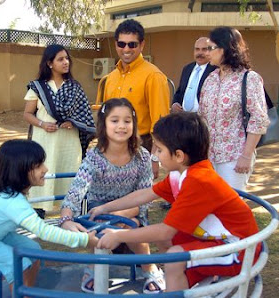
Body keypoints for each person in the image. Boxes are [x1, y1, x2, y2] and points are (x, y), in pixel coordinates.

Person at [89, 112, 262, 292]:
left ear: (179, 156)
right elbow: (146, 194)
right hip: (221, 241)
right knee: (170, 245)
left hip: (239, 250)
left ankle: (177, 284)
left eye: (160, 150)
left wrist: (118, 236)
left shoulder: (200, 181)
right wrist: (106, 206)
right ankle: (179, 283)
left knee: (174, 257)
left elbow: (165, 231)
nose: (155, 154)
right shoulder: (181, 175)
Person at [0, 140, 98, 292]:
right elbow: (43, 231)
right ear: (19, 171)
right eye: (38, 166)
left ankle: (27, 290)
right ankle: (21, 293)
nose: (45, 169)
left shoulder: (11, 193)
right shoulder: (11, 202)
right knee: (18, 265)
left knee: (34, 250)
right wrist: (83, 240)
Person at [60, 98, 165, 294]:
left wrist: (121, 215)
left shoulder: (141, 156)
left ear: (134, 124)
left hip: (132, 210)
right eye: (114, 120)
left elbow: (144, 197)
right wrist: (66, 218)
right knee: (95, 227)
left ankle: (150, 269)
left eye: (127, 121)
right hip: (97, 212)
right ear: (104, 124)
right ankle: (94, 267)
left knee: (130, 225)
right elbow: (77, 190)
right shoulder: (94, 157)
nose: (121, 126)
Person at [96, 19, 170, 179]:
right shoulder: (111, 77)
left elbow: (160, 122)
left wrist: (154, 158)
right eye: (122, 44)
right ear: (116, 44)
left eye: (132, 44)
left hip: (139, 147)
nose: (126, 49)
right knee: (112, 198)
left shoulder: (153, 76)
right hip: (110, 147)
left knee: (134, 201)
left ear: (142, 45)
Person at [23, 44, 95, 209]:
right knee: (42, 172)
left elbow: (85, 115)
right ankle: (39, 210)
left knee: (69, 173)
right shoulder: (38, 87)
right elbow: (27, 114)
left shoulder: (75, 87)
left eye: (67, 58)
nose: (66, 62)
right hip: (44, 139)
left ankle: (70, 211)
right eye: (60, 59)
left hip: (69, 141)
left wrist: (73, 121)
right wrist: (42, 124)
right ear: (50, 63)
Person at [199, 27, 269, 190]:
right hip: (209, 157)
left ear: (226, 49)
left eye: (211, 48)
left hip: (234, 158)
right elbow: (202, 117)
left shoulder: (249, 78)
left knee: (229, 208)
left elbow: (258, 120)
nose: (207, 53)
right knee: (209, 206)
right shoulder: (211, 79)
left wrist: (246, 156)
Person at [171, 37, 216, 113]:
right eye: (197, 49)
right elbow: (180, 92)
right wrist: (175, 103)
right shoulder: (187, 69)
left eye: (204, 49)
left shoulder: (215, 70)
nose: (200, 53)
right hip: (184, 117)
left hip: (203, 119)